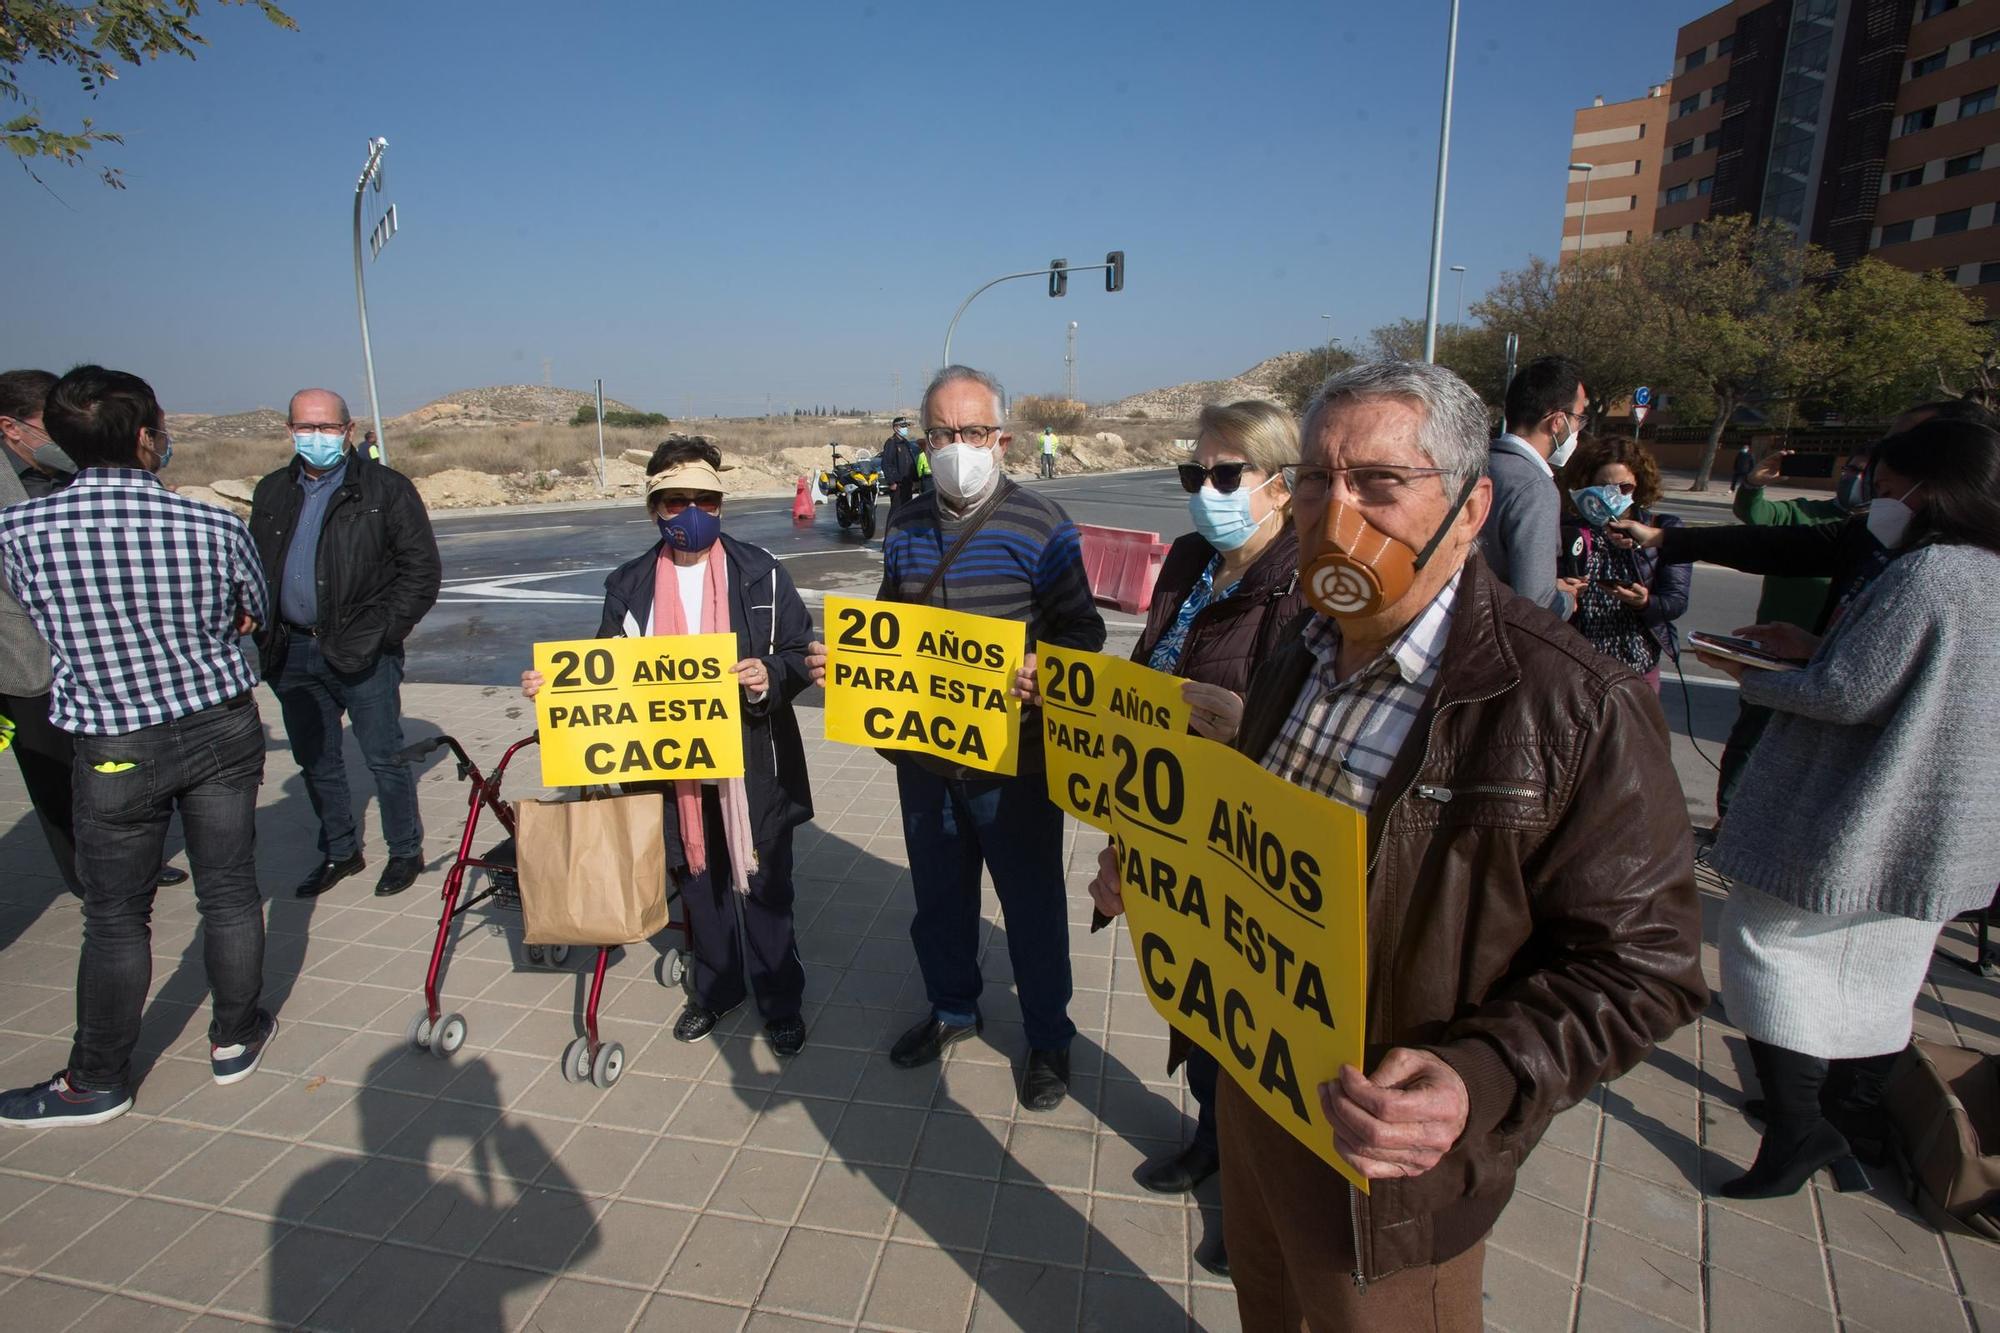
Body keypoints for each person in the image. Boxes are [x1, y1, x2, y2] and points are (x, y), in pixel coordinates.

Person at [1090, 360, 1703, 1328]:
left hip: (1387, 1161)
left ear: (1468, 508)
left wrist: (1479, 1076)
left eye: (1377, 483)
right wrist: (1166, 867)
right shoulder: (1299, 645)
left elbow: (1645, 967)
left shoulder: (1575, 706)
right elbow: (1259, 842)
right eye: (1315, 481)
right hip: (1257, 1093)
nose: (1336, 515)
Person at [1695, 417, 2000, 1198]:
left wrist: (1749, 672)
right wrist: (1811, 647)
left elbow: (1850, 692)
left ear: (1936, 486)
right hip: (1943, 828)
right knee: (1886, 971)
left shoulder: (1929, 572)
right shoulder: (1988, 571)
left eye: (1889, 482)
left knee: (1764, 946)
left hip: (1861, 814)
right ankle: (1843, 1113)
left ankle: (1802, 1127)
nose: (1878, 497)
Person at [0, 366, 276, 1128]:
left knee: (116, 915)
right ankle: (236, 1033)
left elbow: (23, 652)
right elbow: (251, 613)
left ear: (60, 441)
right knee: (229, 890)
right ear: (149, 435)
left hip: (113, 739)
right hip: (220, 726)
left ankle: (96, 1077)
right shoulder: (213, 525)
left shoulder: (19, 533)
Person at [521, 436, 816, 1054]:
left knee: (765, 886)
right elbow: (605, 671)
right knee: (698, 884)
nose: (691, 511)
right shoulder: (629, 585)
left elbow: (796, 653)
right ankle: (716, 989)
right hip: (669, 772)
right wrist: (556, 689)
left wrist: (769, 675)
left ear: (720, 503)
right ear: (653, 507)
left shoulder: (761, 572)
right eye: (675, 500)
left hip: (752, 765)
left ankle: (779, 997)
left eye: (704, 499)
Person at [876, 365, 1106, 1110]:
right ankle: (952, 1007)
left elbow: (1084, 628)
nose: (958, 446)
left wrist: (1052, 667)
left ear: (1001, 438)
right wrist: (849, 664)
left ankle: (1048, 1036)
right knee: (939, 899)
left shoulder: (1042, 521)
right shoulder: (904, 523)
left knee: (1032, 904)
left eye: (974, 431)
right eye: (943, 432)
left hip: (1018, 765)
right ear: (924, 438)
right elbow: (889, 620)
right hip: (926, 759)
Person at [1127, 399, 1304, 1277]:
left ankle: (1256, 1201)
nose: (1206, 492)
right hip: (1169, 824)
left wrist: (1244, 727)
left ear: (1281, 482)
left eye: (1226, 475)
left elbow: (1309, 727)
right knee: (1196, 1009)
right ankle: (1210, 1139)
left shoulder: (1305, 580)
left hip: (1247, 846)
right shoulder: (1192, 561)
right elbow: (1148, 665)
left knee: (1252, 1030)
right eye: (1194, 475)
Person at [0, 370, 192, 896]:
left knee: (108, 762)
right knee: (53, 774)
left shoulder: (78, 472)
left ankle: (133, 857)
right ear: (11, 428)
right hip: (26, 658)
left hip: (95, 653)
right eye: (50, 424)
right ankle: (91, 878)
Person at [249, 390, 441, 899]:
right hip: (291, 651)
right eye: (305, 428)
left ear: (348, 431)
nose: (316, 437)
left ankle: (404, 850)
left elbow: (420, 574)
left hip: (363, 652)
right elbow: (257, 567)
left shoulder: (386, 489)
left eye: (327, 427)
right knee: (317, 760)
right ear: (289, 430)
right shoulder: (272, 491)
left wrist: (380, 633)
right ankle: (340, 850)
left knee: (385, 757)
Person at [1711, 445, 1866, 821]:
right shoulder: (1804, 513)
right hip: (1773, 651)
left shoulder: (1883, 537)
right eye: (1849, 470)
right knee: (1753, 733)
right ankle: (1730, 817)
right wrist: (1752, 484)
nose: (1854, 480)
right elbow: (1756, 513)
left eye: (1864, 472)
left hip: (1834, 658)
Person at [1555, 437, 1689, 689]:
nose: (1613, 496)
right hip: (1576, 665)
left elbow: (1676, 601)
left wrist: (1644, 602)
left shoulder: (1662, 528)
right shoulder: (1568, 529)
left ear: (1639, 485)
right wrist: (1563, 588)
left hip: (1637, 667)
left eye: (1624, 487)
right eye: (1603, 487)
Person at [1480, 355, 1587, 617]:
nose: (1578, 429)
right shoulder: (1534, 488)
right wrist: (1565, 600)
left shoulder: (1476, 464)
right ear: (1557, 422)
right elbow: (1534, 604)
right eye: (1579, 418)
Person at [880, 416, 918, 513]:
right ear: (896, 428)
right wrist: (891, 482)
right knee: (896, 511)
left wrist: (914, 479)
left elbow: (911, 462)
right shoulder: (891, 443)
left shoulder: (905, 443)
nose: (905, 428)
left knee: (906, 510)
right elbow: (886, 463)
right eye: (903, 426)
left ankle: (904, 528)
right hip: (898, 485)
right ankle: (892, 528)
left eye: (906, 426)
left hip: (907, 483)